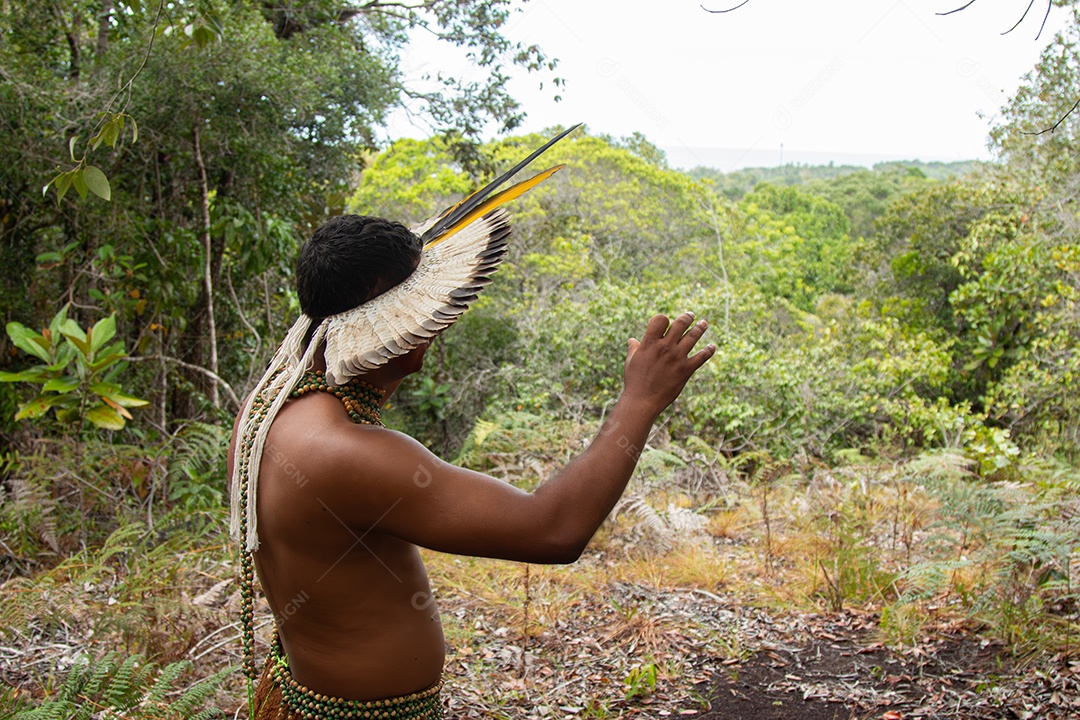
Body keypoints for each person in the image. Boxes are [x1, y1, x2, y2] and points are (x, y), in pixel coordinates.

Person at [228, 169, 714, 720]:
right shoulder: (352, 457)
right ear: (414, 337)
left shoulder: (267, 406)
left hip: (302, 695)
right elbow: (552, 530)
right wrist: (640, 402)